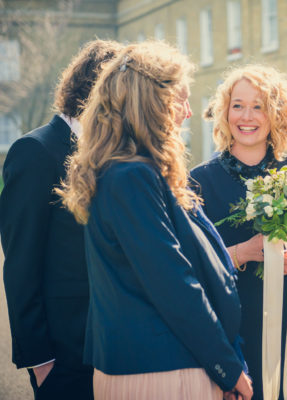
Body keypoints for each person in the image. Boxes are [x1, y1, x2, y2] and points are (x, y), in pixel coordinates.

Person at [57, 41, 252, 400]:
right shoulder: (131, 178)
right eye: (181, 99)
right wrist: (226, 367)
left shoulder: (133, 172)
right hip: (159, 368)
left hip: (165, 363)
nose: (189, 112)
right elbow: (174, 283)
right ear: (153, 102)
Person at [190, 64, 287, 400]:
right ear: (224, 112)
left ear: (275, 113)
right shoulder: (199, 181)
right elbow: (193, 269)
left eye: (258, 105)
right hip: (237, 332)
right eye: (237, 105)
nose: (246, 116)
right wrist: (242, 253)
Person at [0, 39, 121, 400]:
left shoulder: (114, 153)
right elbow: (20, 264)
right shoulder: (35, 151)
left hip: (115, 348)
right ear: (101, 90)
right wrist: (40, 360)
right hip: (63, 356)